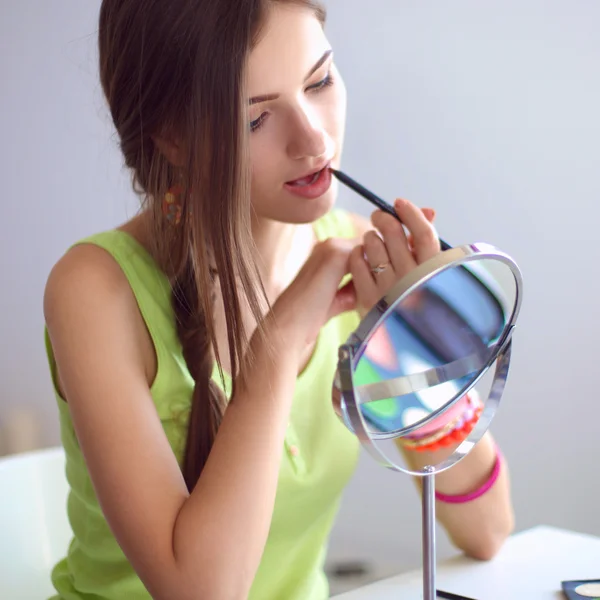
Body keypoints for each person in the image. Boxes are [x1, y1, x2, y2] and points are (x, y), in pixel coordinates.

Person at [43, 1, 515, 599]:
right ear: (172, 138)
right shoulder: (95, 290)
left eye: (318, 81)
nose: (314, 137)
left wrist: (418, 342)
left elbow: (488, 529)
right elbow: (199, 591)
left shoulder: (355, 265)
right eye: (253, 121)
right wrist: (275, 350)